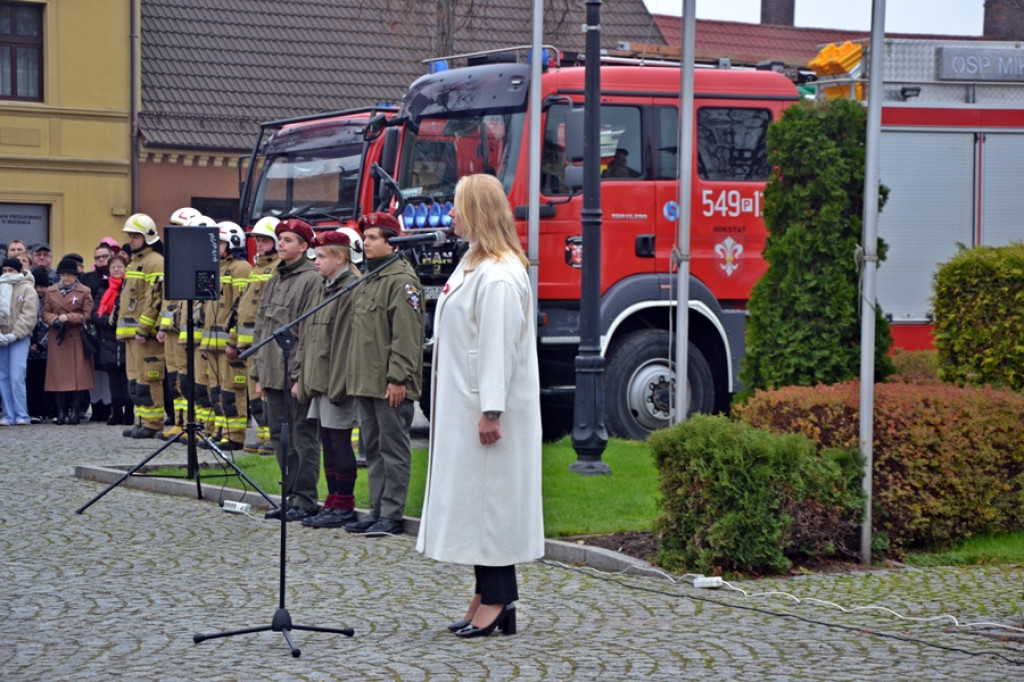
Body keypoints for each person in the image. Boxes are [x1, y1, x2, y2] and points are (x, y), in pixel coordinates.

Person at [415, 174, 543, 638]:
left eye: (456, 207)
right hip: (466, 405)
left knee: (490, 507)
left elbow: (497, 347)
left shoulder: (500, 275)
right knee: (476, 506)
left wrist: (492, 409)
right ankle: (486, 593)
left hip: (484, 410)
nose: (449, 215)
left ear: (477, 212)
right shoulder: (475, 262)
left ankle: (498, 598)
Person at [343, 211, 424, 537]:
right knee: (373, 449)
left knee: (393, 449)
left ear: (393, 242)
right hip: (367, 381)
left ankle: (391, 513)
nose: (366, 242)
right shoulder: (369, 279)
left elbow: (406, 336)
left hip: (389, 383)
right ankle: (377, 509)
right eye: (366, 237)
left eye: (374, 237)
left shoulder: (401, 280)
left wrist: (398, 379)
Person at [250, 218, 322, 522]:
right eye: (279, 239)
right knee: (282, 440)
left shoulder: (310, 279)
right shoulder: (276, 276)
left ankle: (305, 499)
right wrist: (257, 373)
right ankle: (289, 496)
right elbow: (262, 327)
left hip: (293, 375)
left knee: (302, 439)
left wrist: (298, 376)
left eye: (288, 240)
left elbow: (307, 332)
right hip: (272, 373)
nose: (281, 244)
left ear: (304, 247)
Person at [293, 230, 362, 528]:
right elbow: (312, 338)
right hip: (320, 379)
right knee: (327, 441)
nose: (316, 262)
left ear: (340, 258)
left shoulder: (349, 289)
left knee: (339, 441)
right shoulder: (325, 287)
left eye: (322, 257)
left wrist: (338, 384)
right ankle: (332, 500)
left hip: (337, 381)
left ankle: (344, 502)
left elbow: (345, 342)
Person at [200, 221, 252, 450]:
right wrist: (204, 341)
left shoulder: (241, 268)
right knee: (216, 391)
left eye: (220, 243)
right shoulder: (217, 267)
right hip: (212, 343)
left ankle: (234, 436)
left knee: (232, 392)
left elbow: (240, 307)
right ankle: (219, 431)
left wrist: (234, 341)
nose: (215, 248)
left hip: (228, 344)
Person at [232, 216, 280, 454]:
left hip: (267, 342)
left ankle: (272, 437)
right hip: (250, 342)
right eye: (257, 240)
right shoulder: (256, 268)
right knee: (255, 393)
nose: (259, 245)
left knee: (267, 391)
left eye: (264, 240)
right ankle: (262, 436)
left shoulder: (278, 266)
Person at [115, 213, 166, 438]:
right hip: (131, 334)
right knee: (135, 380)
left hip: (144, 334)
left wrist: (144, 329)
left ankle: (153, 423)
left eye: (136, 236)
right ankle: (141, 419)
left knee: (149, 378)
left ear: (147, 237)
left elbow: (153, 298)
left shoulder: (155, 262)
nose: (132, 240)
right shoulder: (135, 262)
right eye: (130, 236)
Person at [42, 256, 94, 424]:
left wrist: (70, 317)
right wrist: (54, 320)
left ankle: (75, 410)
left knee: (77, 375)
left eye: (70, 275)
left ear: (76, 275)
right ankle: (61, 411)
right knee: (57, 376)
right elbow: (45, 313)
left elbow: (88, 315)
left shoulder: (84, 291)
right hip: (58, 337)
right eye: (63, 275)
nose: (66, 278)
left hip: (76, 337)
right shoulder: (51, 291)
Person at [0, 258, 40, 425]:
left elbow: (29, 315)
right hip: (1, 338)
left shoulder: (27, 289)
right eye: (5, 270)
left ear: (18, 271)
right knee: (3, 377)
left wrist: (15, 334)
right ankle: (8, 415)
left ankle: (21, 414)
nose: (7, 273)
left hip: (19, 338)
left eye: (11, 270)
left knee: (17, 375)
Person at [94, 251, 130, 425]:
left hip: (125, 337)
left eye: (119, 267)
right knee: (113, 379)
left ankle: (129, 413)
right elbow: (95, 313)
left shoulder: (129, 286)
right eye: (113, 267)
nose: (116, 270)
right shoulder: (103, 288)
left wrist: (119, 322)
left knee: (127, 377)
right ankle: (116, 413)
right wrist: (107, 321)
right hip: (108, 339)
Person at [82, 243, 114, 422]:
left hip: (109, 328)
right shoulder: (88, 278)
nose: (101, 260)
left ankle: (109, 406)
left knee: (108, 369)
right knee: (94, 369)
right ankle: (95, 407)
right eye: (98, 257)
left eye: (104, 256)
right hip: (92, 328)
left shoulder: (116, 276)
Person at [26, 267, 52, 422]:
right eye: (37, 286)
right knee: (32, 381)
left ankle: (46, 409)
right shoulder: (28, 300)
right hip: (28, 348)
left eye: (43, 286)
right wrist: (30, 343)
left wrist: (41, 345)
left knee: (45, 381)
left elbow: (50, 327)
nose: (39, 290)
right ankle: (34, 410)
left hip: (45, 349)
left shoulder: (49, 302)